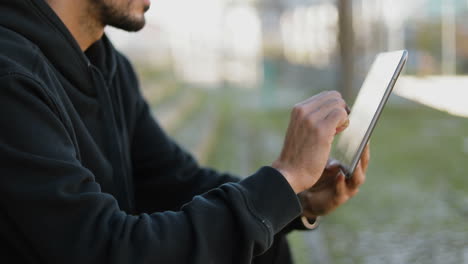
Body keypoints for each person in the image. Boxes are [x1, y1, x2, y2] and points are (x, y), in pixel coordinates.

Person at [0, 0, 369, 263]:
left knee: (266, 248)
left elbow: (174, 181)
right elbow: (101, 249)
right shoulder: (10, 77)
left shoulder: (104, 63)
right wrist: (286, 175)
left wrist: (296, 198)